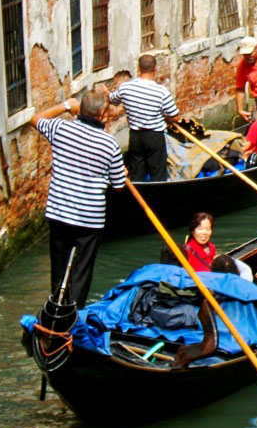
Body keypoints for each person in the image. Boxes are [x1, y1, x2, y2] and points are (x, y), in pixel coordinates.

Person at [31, 86, 127, 308]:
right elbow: (119, 186)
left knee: (58, 269)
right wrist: (123, 173)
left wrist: (66, 106)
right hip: (89, 219)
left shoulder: (60, 129)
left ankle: (56, 310)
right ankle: (74, 317)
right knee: (81, 273)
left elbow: (36, 119)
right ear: (102, 114)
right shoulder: (109, 144)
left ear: (79, 110)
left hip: (59, 212)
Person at [109, 54, 180, 182]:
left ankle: (138, 198)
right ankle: (155, 200)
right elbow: (175, 117)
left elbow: (113, 100)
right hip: (154, 137)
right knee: (158, 174)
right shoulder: (162, 92)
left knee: (137, 173)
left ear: (138, 68)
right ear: (156, 68)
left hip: (135, 137)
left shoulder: (126, 87)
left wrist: (105, 92)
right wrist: (164, 118)